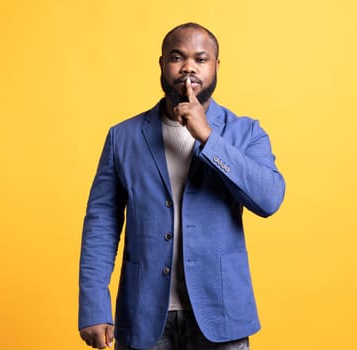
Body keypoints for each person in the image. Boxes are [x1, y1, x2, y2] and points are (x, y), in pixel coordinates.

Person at [79, 22, 285, 350]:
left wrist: (208, 138)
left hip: (221, 316)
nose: (189, 67)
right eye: (178, 57)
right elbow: (101, 225)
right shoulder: (123, 137)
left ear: (216, 66)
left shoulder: (245, 133)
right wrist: (93, 305)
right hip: (144, 316)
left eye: (200, 59)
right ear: (161, 64)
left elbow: (269, 199)